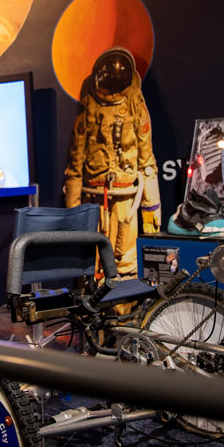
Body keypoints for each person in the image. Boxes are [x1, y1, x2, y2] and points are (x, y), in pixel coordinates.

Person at [64, 47, 161, 277]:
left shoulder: (135, 106)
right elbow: (75, 163)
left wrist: (151, 209)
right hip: (94, 199)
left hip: (126, 200)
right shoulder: (89, 108)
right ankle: (94, 310)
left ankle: (124, 310)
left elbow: (146, 160)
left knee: (126, 260)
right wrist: (73, 213)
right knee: (91, 262)